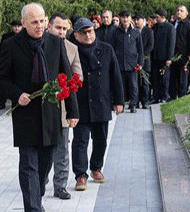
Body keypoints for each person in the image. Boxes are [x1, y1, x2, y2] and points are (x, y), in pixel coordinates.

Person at [0, 3, 78, 212]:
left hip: (51, 113)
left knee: (45, 162)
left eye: (42, 21)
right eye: (34, 22)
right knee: (28, 164)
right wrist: (16, 94)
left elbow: (67, 77)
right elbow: (0, 79)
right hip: (26, 114)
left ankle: (38, 194)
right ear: (23, 24)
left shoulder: (55, 42)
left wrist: (73, 111)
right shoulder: (11, 46)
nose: (40, 26)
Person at [69, 18, 124, 191]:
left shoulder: (106, 49)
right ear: (76, 35)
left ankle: (96, 168)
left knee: (100, 139)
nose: (88, 35)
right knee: (80, 141)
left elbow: (115, 75)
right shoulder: (72, 50)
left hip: (101, 101)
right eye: (83, 32)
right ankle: (80, 175)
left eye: (90, 31)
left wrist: (119, 100)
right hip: (81, 102)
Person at [46, 13, 83, 200]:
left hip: (62, 104)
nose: (61, 32)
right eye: (58, 28)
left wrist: (67, 85)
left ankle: (60, 185)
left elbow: (77, 76)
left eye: (64, 29)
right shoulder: (40, 46)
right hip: (42, 106)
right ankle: (41, 179)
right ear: (49, 27)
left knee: (62, 148)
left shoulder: (72, 48)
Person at [109, 10, 144, 113]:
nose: (125, 19)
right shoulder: (116, 32)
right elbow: (112, 48)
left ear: (130, 18)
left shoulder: (136, 32)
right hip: (119, 63)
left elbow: (140, 50)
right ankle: (121, 104)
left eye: (127, 17)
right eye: (123, 17)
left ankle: (133, 105)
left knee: (133, 86)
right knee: (121, 86)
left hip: (132, 64)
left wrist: (140, 63)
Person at [0, 20, 23, 109]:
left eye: (18, 26)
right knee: (5, 82)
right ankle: (2, 102)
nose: (16, 28)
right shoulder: (6, 37)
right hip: (7, 63)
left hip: (18, 64)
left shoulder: (23, 37)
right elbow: (1, 50)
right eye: (14, 26)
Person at [170, 5, 190, 99]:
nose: (179, 12)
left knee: (182, 79)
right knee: (173, 78)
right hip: (174, 56)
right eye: (177, 10)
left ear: (186, 13)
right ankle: (172, 96)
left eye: (181, 11)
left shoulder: (189, 24)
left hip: (184, 56)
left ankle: (182, 97)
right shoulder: (173, 24)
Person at [151, 9, 175, 104]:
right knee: (156, 78)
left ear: (163, 17)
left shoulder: (170, 27)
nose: (156, 19)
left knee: (164, 78)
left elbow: (171, 43)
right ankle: (156, 96)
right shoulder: (155, 27)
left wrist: (169, 58)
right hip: (155, 57)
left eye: (157, 17)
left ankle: (164, 96)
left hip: (165, 58)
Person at [134, 13, 153, 108]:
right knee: (135, 83)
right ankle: (136, 102)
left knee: (145, 82)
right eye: (135, 20)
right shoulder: (133, 31)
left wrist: (141, 55)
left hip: (145, 60)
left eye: (138, 19)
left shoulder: (149, 31)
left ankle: (145, 101)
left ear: (143, 20)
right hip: (134, 60)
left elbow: (150, 45)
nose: (136, 22)